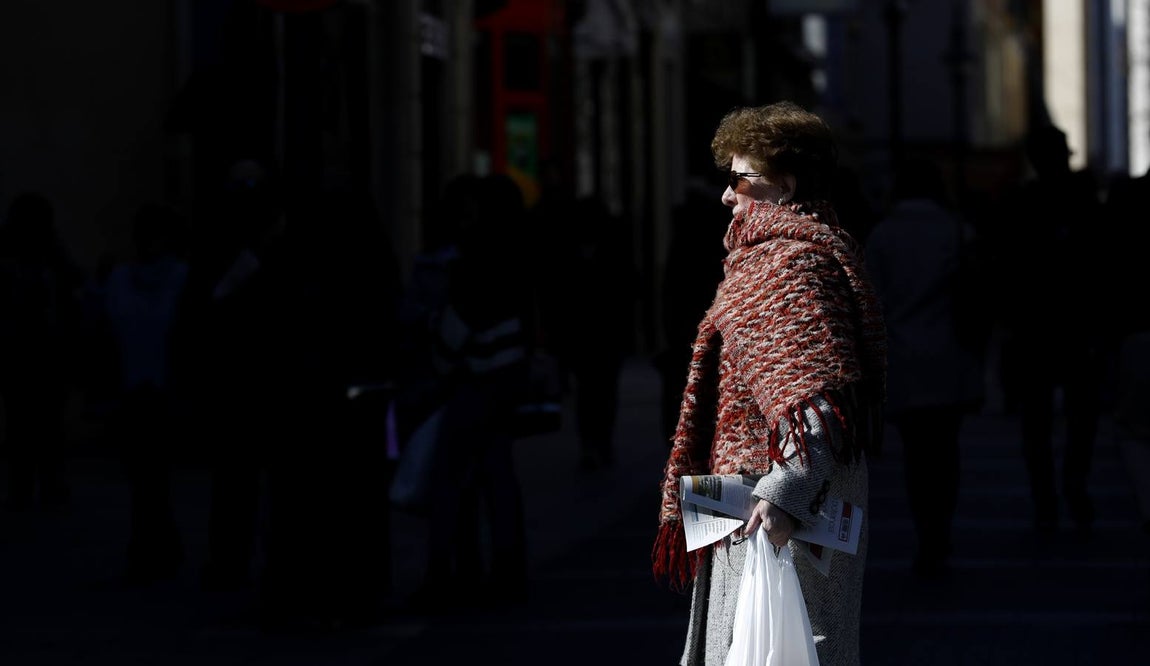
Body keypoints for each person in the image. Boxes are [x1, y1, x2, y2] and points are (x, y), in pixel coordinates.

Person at [651, 101, 887, 666]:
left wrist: (784, 496)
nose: (726, 195)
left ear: (782, 184)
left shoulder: (788, 265)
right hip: (763, 497)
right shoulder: (782, 256)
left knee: (786, 645)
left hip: (776, 505)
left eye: (739, 179)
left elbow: (816, 399)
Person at [864, 157, 985, 579]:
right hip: (948, 352)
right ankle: (942, 529)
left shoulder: (883, 234)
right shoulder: (954, 230)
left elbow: (871, 301)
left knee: (916, 456)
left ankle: (925, 533)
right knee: (946, 450)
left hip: (904, 356)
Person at [993, 124, 1108, 533]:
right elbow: (1103, 266)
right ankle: (1071, 482)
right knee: (1079, 416)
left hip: (1035, 327)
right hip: (1072, 324)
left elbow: (1004, 267)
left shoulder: (1020, 202)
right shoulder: (1085, 200)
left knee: (1038, 421)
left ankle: (1047, 495)